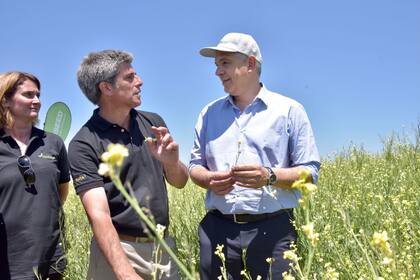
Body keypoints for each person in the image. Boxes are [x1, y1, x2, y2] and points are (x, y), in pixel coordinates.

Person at [189, 32, 321, 279]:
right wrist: (208, 179)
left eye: (225, 63)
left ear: (250, 64)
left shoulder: (289, 110)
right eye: (216, 65)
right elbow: (195, 165)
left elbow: (310, 172)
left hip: (274, 231)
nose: (217, 71)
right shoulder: (208, 113)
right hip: (217, 230)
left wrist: (269, 176)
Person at [68, 50, 188, 280]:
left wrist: (171, 164)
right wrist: (125, 274)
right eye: (130, 77)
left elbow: (180, 182)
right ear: (106, 88)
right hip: (118, 253)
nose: (140, 81)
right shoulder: (83, 144)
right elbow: (99, 216)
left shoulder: (154, 123)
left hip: (163, 249)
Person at [0, 71, 70, 280]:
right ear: (5, 101)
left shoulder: (53, 143)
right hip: (7, 258)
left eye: (38, 95)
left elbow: (61, 192)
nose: (37, 101)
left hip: (49, 256)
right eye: (28, 95)